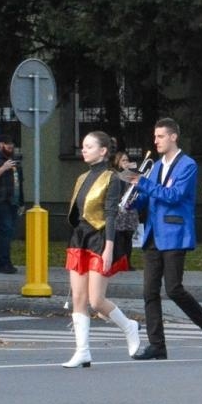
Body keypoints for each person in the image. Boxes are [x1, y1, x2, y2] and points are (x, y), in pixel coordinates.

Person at [122, 118, 202, 360]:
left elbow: (175, 196)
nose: (155, 141)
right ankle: (157, 345)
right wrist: (133, 199)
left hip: (175, 233)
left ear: (173, 137)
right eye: (155, 137)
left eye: (160, 137)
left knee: (174, 289)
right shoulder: (155, 166)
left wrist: (143, 183)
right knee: (149, 292)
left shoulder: (188, 165)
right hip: (154, 234)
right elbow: (149, 198)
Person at [61, 131, 140, 368]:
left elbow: (110, 213)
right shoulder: (82, 177)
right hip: (80, 238)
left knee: (96, 301)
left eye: (89, 146)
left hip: (100, 238)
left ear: (103, 151)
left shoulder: (112, 178)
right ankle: (82, 351)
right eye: (83, 146)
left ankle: (129, 326)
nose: (83, 150)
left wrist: (109, 248)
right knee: (78, 297)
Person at [0, 135, 24, 274]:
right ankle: (3, 263)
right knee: (6, 229)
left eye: (12, 146)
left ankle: (2, 261)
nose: (11, 148)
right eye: (8, 146)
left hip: (13, 201)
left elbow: (19, 183)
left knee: (7, 232)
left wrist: (21, 202)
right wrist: (3, 168)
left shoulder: (15, 160)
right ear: (1, 145)